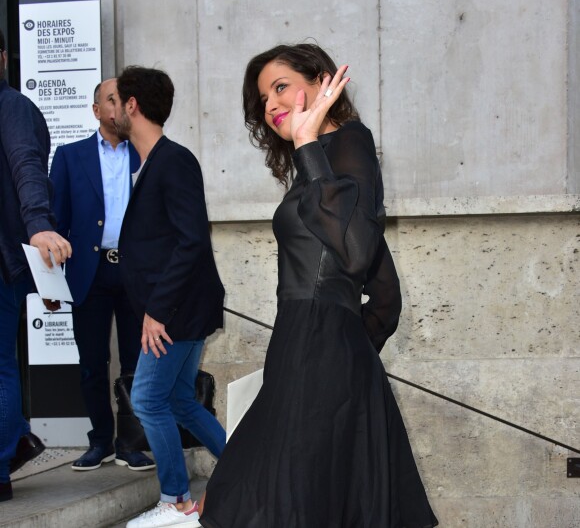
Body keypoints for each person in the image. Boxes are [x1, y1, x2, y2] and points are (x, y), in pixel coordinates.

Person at [199, 44, 438, 527]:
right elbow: (382, 284)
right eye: (262, 98)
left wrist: (337, 350)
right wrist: (346, 358)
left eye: (280, 86)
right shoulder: (321, 163)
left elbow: (351, 249)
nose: (269, 105)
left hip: (315, 342)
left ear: (322, 82)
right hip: (307, 344)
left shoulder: (347, 142)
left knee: (285, 501)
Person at [109, 66, 226, 528]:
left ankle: (176, 500)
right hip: (180, 307)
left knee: (148, 400)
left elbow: (191, 240)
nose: (108, 110)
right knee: (179, 400)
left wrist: (156, 311)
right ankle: (242, 464)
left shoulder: (172, 160)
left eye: (113, 100)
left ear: (132, 105)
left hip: (175, 311)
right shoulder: (153, 163)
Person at [49, 79, 155, 472]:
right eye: (113, 100)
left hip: (133, 273)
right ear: (97, 110)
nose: (122, 106)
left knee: (135, 361)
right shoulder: (69, 156)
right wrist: (51, 281)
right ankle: (100, 441)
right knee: (92, 362)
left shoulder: (148, 153)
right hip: (87, 273)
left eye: (127, 100)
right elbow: (55, 222)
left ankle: (130, 444)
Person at [0, 29, 72, 502]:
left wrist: (37, 224)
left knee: (1, 368)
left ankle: (3, 461)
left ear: (3, 58)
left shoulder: (11, 106)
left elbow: (28, 167)